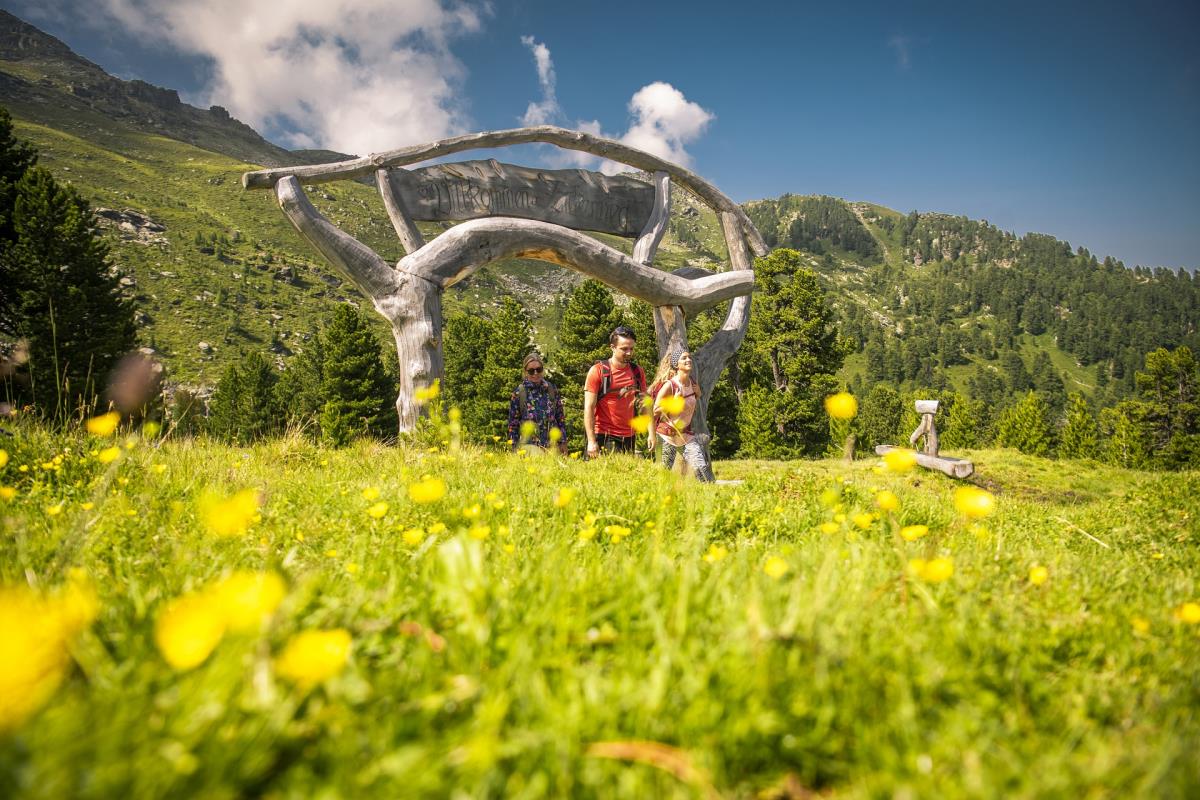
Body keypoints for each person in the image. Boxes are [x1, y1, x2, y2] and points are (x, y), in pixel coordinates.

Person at [649, 347, 715, 482]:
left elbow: (690, 406)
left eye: (689, 357)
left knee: (702, 470)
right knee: (663, 476)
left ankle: (711, 498)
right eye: (683, 358)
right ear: (676, 364)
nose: (688, 360)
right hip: (667, 436)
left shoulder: (693, 384)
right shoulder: (670, 385)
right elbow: (655, 411)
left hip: (686, 436)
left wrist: (698, 394)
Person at [583, 325, 646, 458]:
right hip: (604, 435)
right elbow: (589, 407)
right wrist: (591, 441)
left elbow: (644, 404)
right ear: (612, 347)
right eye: (624, 349)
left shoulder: (637, 372)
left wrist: (651, 432)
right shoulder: (598, 371)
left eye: (631, 348)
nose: (629, 353)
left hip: (629, 436)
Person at [507, 353, 568, 454]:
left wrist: (563, 442)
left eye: (538, 369)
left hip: (552, 447)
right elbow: (513, 424)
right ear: (525, 372)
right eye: (531, 371)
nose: (535, 373)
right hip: (529, 448)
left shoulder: (551, 389)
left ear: (542, 370)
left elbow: (560, 418)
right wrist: (513, 448)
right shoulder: (519, 392)